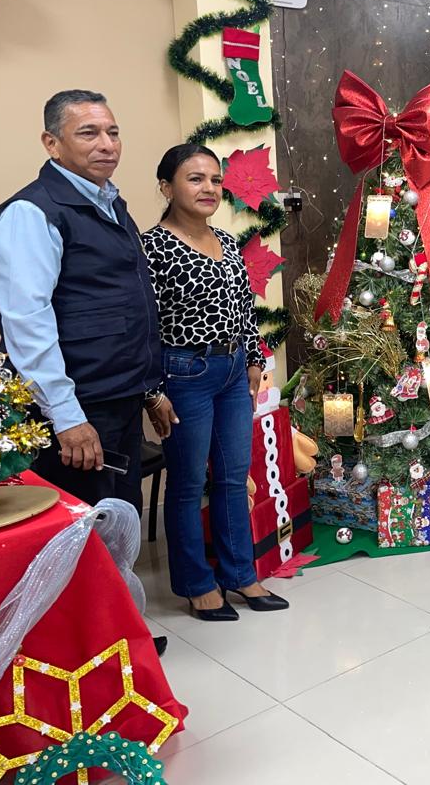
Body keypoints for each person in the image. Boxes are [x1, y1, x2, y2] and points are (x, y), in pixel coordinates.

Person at [0, 89, 175, 509]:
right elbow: (27, 324)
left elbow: (123, 309)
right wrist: (66, 416)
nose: (107, 145)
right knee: (82, 531)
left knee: (119, 521)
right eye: (89, 133)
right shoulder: (31, 213)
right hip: (78, 408)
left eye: (113, 132)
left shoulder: (110, 203)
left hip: (118, 399)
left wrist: (148, 390)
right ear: (51, 143)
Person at [142, 144, 288, 621]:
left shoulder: (226, 240)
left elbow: (244, 308)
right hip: (184, 375)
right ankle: (196, 584)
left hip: (232, 373)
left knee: (231, 477)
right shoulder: (152, 247)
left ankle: (240, 574)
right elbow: (142, 326)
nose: (208, 188)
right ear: (167, 187)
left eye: (215, 179)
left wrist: (254, 359)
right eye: (195, 178)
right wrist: (151, 393)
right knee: (187, 484)